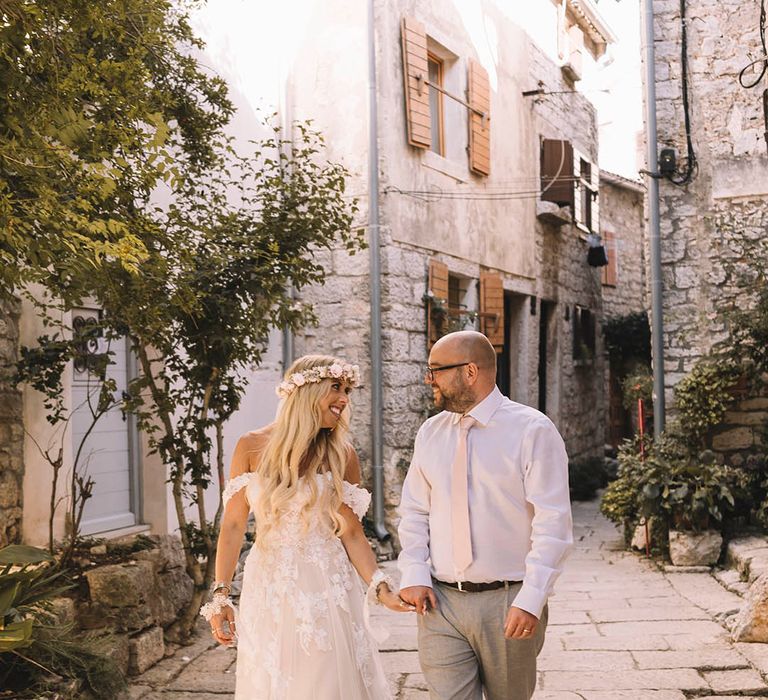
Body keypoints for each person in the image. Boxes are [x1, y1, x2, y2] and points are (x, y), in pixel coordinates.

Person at [201, 354, 415, 699]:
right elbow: (233, 526)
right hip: (269, 586)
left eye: (347, 390)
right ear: (306, 392)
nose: (344, 399)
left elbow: (352, 533)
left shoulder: (342, 454)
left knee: (327, 681)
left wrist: (380, 585)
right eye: (336, 388)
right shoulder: (251, 446)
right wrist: (221, 596)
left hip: (327, 586)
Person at [398, 331, 573, 700]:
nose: (429, 380)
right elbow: (414, 510)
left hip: (508, 602)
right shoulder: (430, 432)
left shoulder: (533, 431)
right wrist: (414, 573)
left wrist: (532, 598)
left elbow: (553, 523)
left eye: (436, 371)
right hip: (440, 604)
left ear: (470, 371)